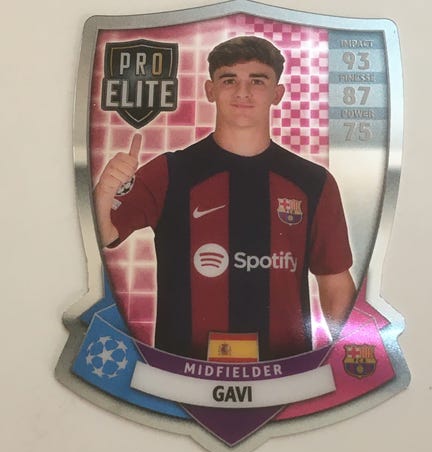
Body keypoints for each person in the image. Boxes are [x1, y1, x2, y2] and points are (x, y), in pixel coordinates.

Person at [94, 36, 356, 360]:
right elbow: (103, 234)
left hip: (285, 372)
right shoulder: (168, 172)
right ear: (210, 90)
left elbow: (334, 284)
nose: (242, 92)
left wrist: (349, 359)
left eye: (257, 81)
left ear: (277, 94)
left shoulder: (313, 182)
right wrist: (103, 193)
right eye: (229, 80)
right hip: (182, 371)